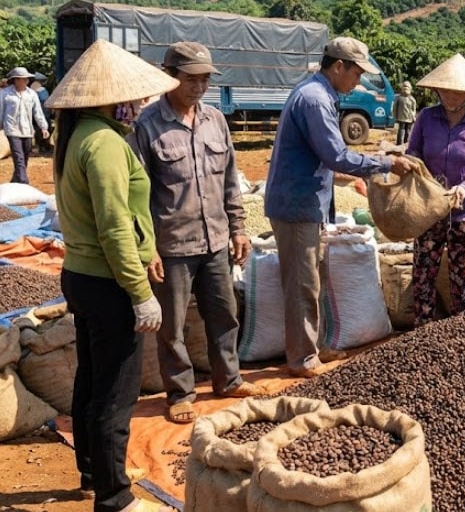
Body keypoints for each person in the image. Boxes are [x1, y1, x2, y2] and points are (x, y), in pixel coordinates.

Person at [50, 39, 177, 512]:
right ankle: (115, 496)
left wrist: (147, 253)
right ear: (109, 98)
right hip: (107, 284)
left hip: (83, 276)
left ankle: (92, 471)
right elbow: (114, 227)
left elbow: (123, 223)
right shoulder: (103, 144)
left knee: (92, 381)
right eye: (134, 97)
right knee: (115, 395)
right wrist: (140, 291)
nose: (140, 105)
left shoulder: (81, 134)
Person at [129, 42, 264, 425]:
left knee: (224, 313)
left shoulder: (214, 121)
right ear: (169, 76)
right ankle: (180, 393)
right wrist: (147, 247)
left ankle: (228, 379)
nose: (200, 86)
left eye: (205, 79)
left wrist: (238, 229)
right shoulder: (147, 126)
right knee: (172, 325)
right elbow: (136, 195)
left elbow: (229, 184)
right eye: (192, 79)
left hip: (216, 240)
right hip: (172, 245)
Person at [264, 37, 414, 378]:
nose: (358, 81)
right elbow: (335, 155)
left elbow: (326, 158)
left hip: (305, 203)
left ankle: (311, 347)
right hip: (296, 205)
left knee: (311, 278)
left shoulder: (317, 93)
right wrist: (385, 163)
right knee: (302, 283)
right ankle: (302, 359)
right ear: (337, 67)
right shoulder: (315, 100)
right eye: (356, 74)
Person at [406, 54, 465, 324]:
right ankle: (422, 334)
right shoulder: (426, 118)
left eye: (456, 90)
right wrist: (417, 171)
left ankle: (460, 334)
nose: (450, 95)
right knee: (423, 276)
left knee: (462, 277)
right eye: (445, 89)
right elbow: (414, 153)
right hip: (429, 212)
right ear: (436, 89)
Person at [1, 67, 50, 183]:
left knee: (25, 157)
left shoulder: (32, 94)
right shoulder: (5, 94)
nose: (27, 81)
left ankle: (15, 180)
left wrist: (44, 127)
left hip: (27, 130)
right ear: (16, 80)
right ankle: (23, 181)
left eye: (27, 79)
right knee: (19, 157)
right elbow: (0, 111)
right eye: (23, 79)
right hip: (12, 129)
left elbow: (38, 112)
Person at [32, 73, 53, 154]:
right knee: (45, 130)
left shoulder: (32, 91)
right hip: (44, 114)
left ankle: (41, 146)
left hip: (38, 114)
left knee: (39, 131)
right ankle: (44, 147)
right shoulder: (43, 91)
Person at [393, 80, 417, 145]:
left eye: (407, 87)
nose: (406, 88)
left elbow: (414, 109)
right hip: (401, 117)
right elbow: (395, 107)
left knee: (407, 131)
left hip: (409, 118)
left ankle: (406, 143)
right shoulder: (398, 98)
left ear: (410, 89)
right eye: (404, 87)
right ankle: (399, 143)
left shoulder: (412, 99)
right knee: (401, 130)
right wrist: (394, 116)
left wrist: (413, 116)